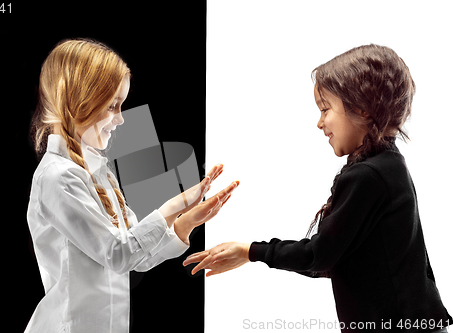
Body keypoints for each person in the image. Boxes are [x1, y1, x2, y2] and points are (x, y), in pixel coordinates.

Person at [184, 44, 451, 332]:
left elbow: (318, 255)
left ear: (362, 107)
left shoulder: (370, 175)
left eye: (325, 109)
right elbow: (331, 259)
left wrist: (251, 251)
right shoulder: (388, 165)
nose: (319, 123)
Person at [26, 38, 239, 333]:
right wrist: (175, 205)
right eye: (112, 105)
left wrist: (187, 220)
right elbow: (119, 254)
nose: (121, 119)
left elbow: (138, 257)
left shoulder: (98, 172)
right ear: (79, 100)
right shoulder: (57, 177)